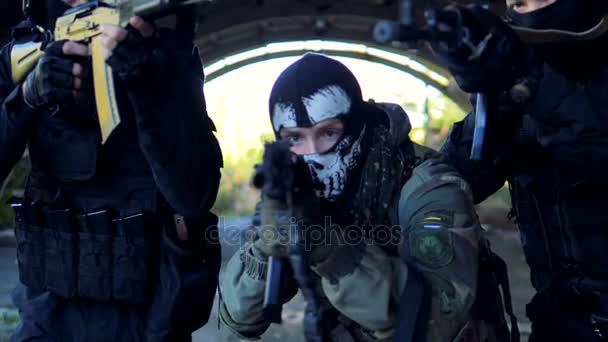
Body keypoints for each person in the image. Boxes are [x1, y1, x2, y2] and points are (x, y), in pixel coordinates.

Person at [218, 53, 497, 341]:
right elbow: (240, 318)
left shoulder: (426, 184)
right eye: (296, 138)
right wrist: (265, 250)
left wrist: (330, 250)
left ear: (356, 125)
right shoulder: (295, 186)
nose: (313, 152)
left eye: (328, 133)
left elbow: (438, 319)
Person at [0, 0, 223, 341]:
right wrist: (26, 97)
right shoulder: (25, 53)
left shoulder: (166, 55)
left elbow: (194, 196)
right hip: (48, 316)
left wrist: (149, 87)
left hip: (149, 320)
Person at [433, 0, 608, 340]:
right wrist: (494, 102)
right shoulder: (519, 93)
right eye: (517, 3)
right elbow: (455, 183)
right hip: (559, 321)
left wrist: (532, 79)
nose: (526, 9)